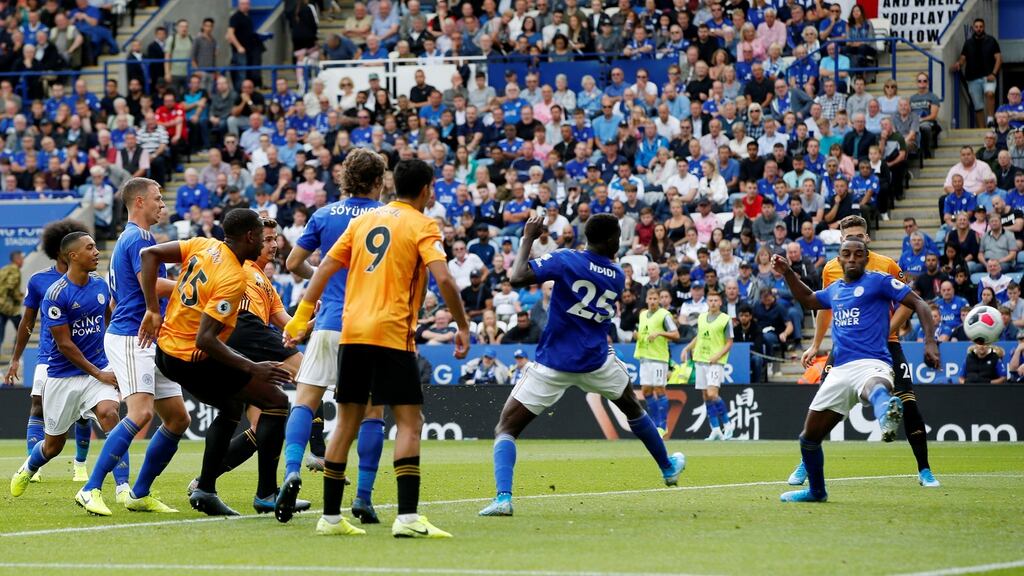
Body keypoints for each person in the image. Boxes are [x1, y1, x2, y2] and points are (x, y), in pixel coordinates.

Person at [283, 158, 470, 538]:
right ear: (427, 190)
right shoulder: (422, 224)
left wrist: (301, 317)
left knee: (344, 423)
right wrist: (463, 324)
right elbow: (445, 279)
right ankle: (407, 517)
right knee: (409, 422)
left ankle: (331, 518)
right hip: (391, 334)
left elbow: (319, 270)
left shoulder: (361, 222)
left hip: (350, 331)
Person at [478, 214, 685, 517]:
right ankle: (667, 468)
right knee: (632, 407)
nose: (620, 242)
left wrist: (528, 239)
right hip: (596, 360)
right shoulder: (616, 274)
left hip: (554, 362)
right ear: (611, 240)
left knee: (506, 427)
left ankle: (503, 498)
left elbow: (517, 277)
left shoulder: (566, 260)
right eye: (617, 236)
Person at [139, 209, 293, 516]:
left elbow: (149, 254)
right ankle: (265, 494)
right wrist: (253, 367)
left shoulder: (202, 244)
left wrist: (153, 309)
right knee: (276, 401)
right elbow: (206, 340)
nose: (266, 243)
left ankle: (206, 489)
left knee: (233, 406)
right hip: (192, 358)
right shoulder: (234, 279)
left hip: (166, 351)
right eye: (262, 238)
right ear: (250, 237)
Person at [773, 239, 940, 503]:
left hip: (873, 361)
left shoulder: (879, 281)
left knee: (874, 385)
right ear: (839, 260)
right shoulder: (835, 289)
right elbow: (807, 299)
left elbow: (919, 303)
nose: (852, 258)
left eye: (858, 254)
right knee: (808, 438)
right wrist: (788, 273)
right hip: (840, 369)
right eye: (846, 254)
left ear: (866, 258)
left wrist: (930, 341)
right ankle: (817, 492)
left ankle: (886, 411)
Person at [275, 149, 387, 524]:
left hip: (328, 321)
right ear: (378, 181)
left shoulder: (325, 215)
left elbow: (292, 264)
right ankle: (364, 497)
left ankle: (292, 469)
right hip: (370, 326)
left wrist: (321, 283)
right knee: (371, 412)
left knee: (306, 401)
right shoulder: (389, 218)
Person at [79, 178, 190, 516]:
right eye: (157, 199)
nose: (162, 204)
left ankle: (139, 493)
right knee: (141, 413)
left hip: (147, 336)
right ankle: (90, 488)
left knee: (177, 418)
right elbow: (151, 284)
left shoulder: (129, 239)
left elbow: (127, 291)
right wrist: (193, 285)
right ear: (139, 201)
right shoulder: (140, 237)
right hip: (133, 336)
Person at [10, 233, 121, 505]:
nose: (96, 252)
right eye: (90, 247)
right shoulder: (49, 290)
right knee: (52, 442)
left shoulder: (100, 285)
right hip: (59, 370)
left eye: (96, 247)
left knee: (109, 415)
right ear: (71, 254)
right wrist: (15, 358)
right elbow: (58, 341)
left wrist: (112, 360)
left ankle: (122, 488)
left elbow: (109, 320)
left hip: (95, 366)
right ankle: (30, 467)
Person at [5, 220, 99, 485]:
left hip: (87, 354)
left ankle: (80, 465)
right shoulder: (39, 281)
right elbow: (27, 322)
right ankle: (32, 465)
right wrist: (15, 359)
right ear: (61, 252)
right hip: (50, 354)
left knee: (83, 413)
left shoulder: (92, 280)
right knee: (37, 405)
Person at [680, 289, 735, 440]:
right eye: (710, 300)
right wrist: (687, 348)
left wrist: (718, 355)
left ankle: (728, 425)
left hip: (715, 362)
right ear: (707, 302)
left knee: (712, 394)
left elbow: (730, 342)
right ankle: (715, 429)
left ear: (720, 302)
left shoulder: (725, 319)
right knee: (705, 395)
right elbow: (699, 337)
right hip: (700, 359)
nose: (713, 303)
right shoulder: (702, 317)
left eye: (716, 300)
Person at [634, 289, 680, 433]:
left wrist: (660, 333)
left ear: (659, 300)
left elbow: (676, 334)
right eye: (650, 298)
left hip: (659, 358)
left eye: (655, 299)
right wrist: (637, 336)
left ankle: (662, 425)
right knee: (646, 391)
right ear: (647, 300)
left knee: (660, 389)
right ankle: (654, 424)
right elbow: (644, 333)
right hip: (645, 357)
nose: (653, 301)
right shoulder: (642, 315)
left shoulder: (664, 315)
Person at [953, 18, 1002, 128]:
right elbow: (963, 58)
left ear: (983, 27)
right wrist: (958, 64)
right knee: (978, 107)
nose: (979, 29)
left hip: (989, 76)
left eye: (981, 26)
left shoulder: (991, 40)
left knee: (990, 94)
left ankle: (990, 119)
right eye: (976, 27)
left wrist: (994, 73)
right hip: (972, 78)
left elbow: (998, 58)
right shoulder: (968, 43)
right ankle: (982, 130)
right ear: (973, 28)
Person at [0, 251, 23, 355]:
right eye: (22, 259)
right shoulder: (15, 270)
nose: (23, 261)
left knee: (0, 334)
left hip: (1, 306)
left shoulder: (5, 269)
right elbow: (10, 286)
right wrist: (19, 296)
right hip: (10, 307)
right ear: (17, 259)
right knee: (23, 330)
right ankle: (16, 355)